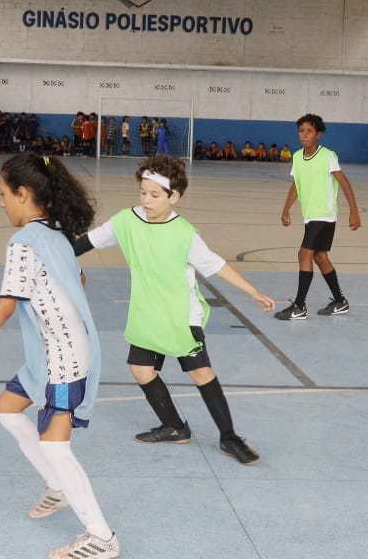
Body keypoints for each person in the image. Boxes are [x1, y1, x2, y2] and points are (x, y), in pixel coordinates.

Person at [0, 153, 119, 559]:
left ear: (23, 193)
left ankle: (101, 536)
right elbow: (79, 278)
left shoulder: (23, 243)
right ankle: (57, 486)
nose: (1, 202)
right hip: (55, 352)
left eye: (3, 194)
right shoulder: (54, 232)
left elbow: (6, 304)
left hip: (64, 360)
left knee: (55, 446)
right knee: (6, 408)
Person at [74, 155, 275, 465]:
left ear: (174, 197)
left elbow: (217, 265)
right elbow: (87, 241)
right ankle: (174, 427)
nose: (146, 200)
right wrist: (53, 251)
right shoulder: (126, 220)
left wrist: (253, 291)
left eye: (155, 195)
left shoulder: (185, 233)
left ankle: (229, 437)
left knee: (201, 372)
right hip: (147, 314)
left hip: (181, 316)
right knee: (141, 370)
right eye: (143, 192)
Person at [275, 114, 361, 320]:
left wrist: (354, 211)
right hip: (310, 215)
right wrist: (286, 208)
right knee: (320, 257)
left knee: (304, 254)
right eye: (301, 131)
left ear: (318, 134)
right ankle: (340, 301)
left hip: (324, 215)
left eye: (309, 131)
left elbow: (344, 182)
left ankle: (299, 306)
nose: (304, 135)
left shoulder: (327, 156)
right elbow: (296, 185)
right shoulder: (297, 157)